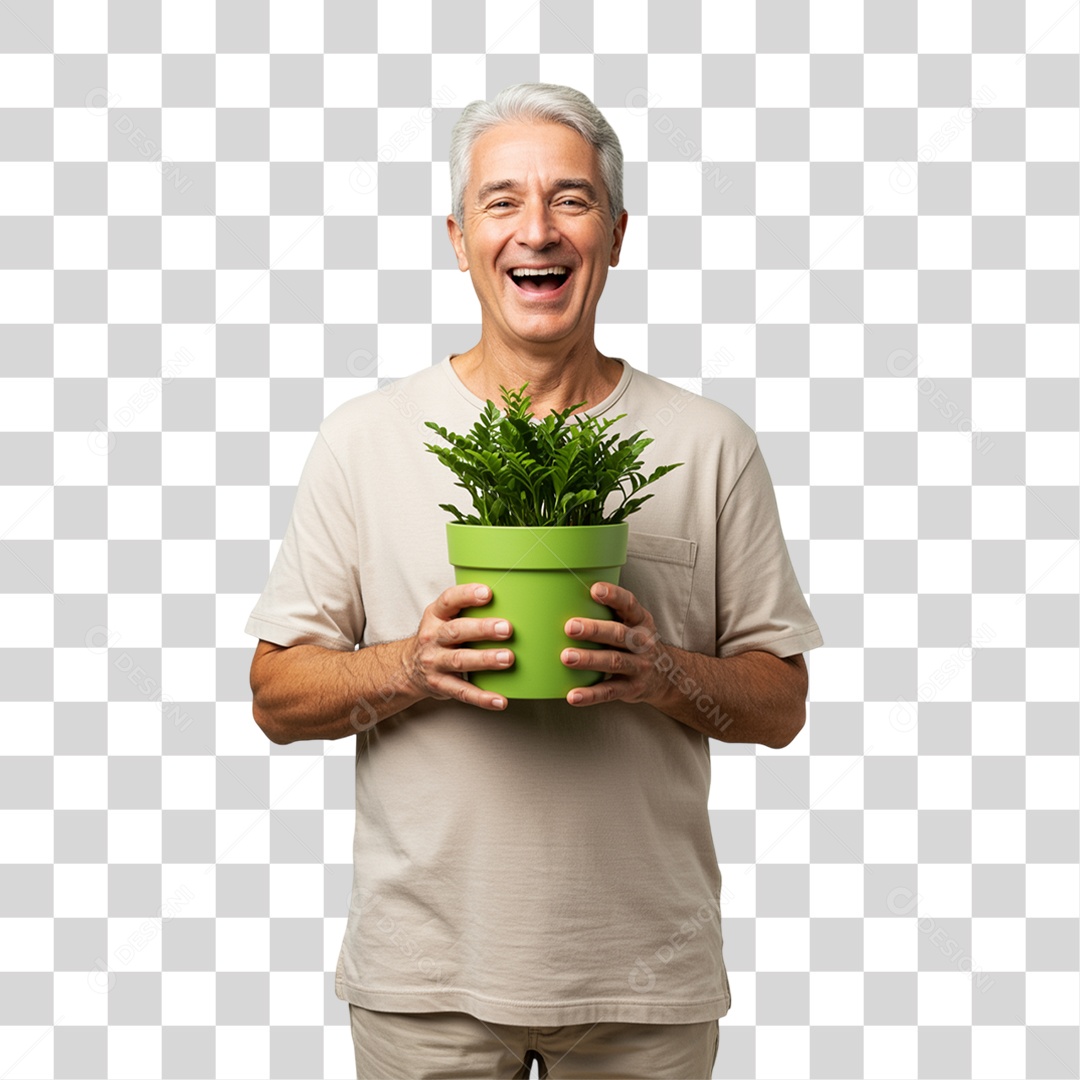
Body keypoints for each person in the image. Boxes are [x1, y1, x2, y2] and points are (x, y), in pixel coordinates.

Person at [246, 82, 824, 1080]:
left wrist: (661, 674)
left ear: (616, 232)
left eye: (572, 198)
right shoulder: (364, 441)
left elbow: (780, 705)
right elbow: (275, 696)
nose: (537, 229)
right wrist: (409, 668)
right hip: (424, 981)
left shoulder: (708, 444)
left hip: (646, 982)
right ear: (460, 235)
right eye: (502, 201)